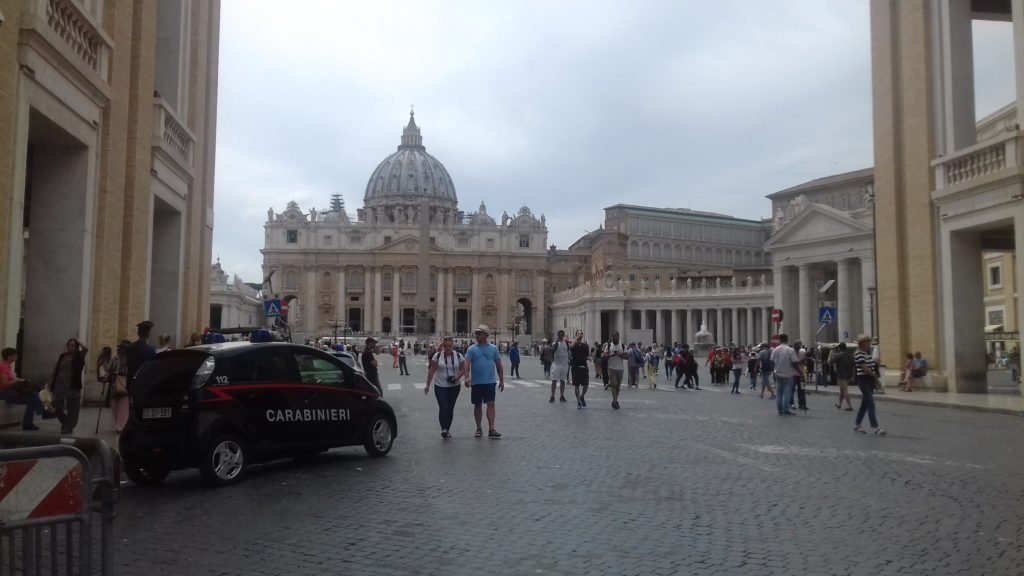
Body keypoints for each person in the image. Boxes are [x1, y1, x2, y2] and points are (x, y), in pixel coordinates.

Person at [465, 325, 504, 438]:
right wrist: (466, 377)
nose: (476, 335)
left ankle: (491, 428)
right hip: (476, 382)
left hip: (490, 381)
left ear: (486, 335)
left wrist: (501, 381)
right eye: (476, 333)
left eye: (479, 333)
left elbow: (499, 366)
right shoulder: (471, 349)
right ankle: (478, 428)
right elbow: (466, 364)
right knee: (477, 405)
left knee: (491, 404)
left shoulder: (494, 348)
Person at [424, 336, 467, 439]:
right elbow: (432, 371)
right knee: (444, 407)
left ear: (453, 346)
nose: (447, 348)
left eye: (449, 346)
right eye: (445, 346)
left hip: (454, 386)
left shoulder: (458, 356)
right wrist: (427, 385)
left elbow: (463, 368)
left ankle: (447, 429)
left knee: (450, 408)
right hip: (440, 385)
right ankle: (444, 428)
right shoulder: (437, 356)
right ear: (442, 346)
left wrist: (457, 376)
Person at [48, 338, 89, 434]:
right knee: (55, 405)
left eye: (73, 345)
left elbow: (86, 349)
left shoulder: (79, 355)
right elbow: (56, 369)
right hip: (59, 384)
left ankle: (69, 426)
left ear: (76, 347)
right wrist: (51, 381)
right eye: (69, 345)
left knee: (73, 408)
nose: (70, 347)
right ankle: (66, 422)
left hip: (72, 384)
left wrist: (77, 341)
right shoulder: (63, 356)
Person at [0, 347, 45, 430]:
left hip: (11, 391)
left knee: (33, 396)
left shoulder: (8, 367)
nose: (17, 356)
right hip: (5, 393)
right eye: (15, 355)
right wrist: (17, 382)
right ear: (9, 357)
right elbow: (4, 384)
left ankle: (36, 417)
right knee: (33, 396)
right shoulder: (3, 367)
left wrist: (22, 380)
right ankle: (41, 413)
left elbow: (13, 379)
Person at [854, 335, 886, 435]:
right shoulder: (859, 354)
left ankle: (857, 424)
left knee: (865, 404)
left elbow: (872, 366)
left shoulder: (866, 354)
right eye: (868, 342)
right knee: (871, 403)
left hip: (869, 381)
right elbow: (866, 369)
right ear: (863, 343)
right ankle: (875, 427)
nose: (869, 345)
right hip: (863, 381)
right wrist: (876, 379)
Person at [769, 334, 800, 416]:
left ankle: (779, 409)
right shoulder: (790, 350)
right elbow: (794, 362)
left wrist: (775, 369)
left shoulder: (776, 350)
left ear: (780, 340)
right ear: (787, 339)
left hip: (778, 373)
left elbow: (771, 361)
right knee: (787, 392)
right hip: (788, 374)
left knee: (779, 392)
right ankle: (785, 409)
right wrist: (800, 371)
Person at [125, 321, 156, 385]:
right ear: (148, 334)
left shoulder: (129, 347)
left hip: (130, 383)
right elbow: (151, 369)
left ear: (138, 333)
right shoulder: (149, 349)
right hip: (142, 384)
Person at [603, 332, 627, 409]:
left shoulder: (623, 346)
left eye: (616, 338)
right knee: (614, 384)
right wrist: (611, 354)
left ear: (618, 337)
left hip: (620, 368)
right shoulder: (609, 345)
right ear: (612, 338)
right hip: (611, 367)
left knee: (618, 386)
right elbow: (605, 355)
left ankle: (615, 400)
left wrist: (620, 355)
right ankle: (615, 401)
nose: (615, 339)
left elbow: (627, 357)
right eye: (614, 338)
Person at [829, 342, 855, 411]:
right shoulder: (850, 355)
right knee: (842, 390)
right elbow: (853, 364)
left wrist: (832, 355)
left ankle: (850, 406)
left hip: (841, 374)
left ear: (840, 348)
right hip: (848, 374)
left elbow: (831, 361)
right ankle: (839, 404)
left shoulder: (839, 356)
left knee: (845, 390)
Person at [569, 330, 591, 409]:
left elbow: (586, 356)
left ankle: (582, 396)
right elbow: (571, 347)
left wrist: (590, 358)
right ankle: (578, 401)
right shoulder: (574, 344)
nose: (580, 335)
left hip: (584, 367)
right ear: (576, 335)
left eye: (581, 333)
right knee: (577, 385)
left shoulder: (585, 345)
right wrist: (576, 338)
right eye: (578, 333)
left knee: (586, 385)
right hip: (575, 367)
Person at [549, 330, 570, 403]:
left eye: (562, 335)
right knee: (554, 380)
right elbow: (552, 350)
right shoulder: (555, 343)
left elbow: (568, 351)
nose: (561, 336)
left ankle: (562, 395)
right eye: (559, 335)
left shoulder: (566, 343)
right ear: (558, 335)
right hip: (557, 364)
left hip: (564, 364)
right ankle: (552, 395)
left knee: (563, 381)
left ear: (563, 335)